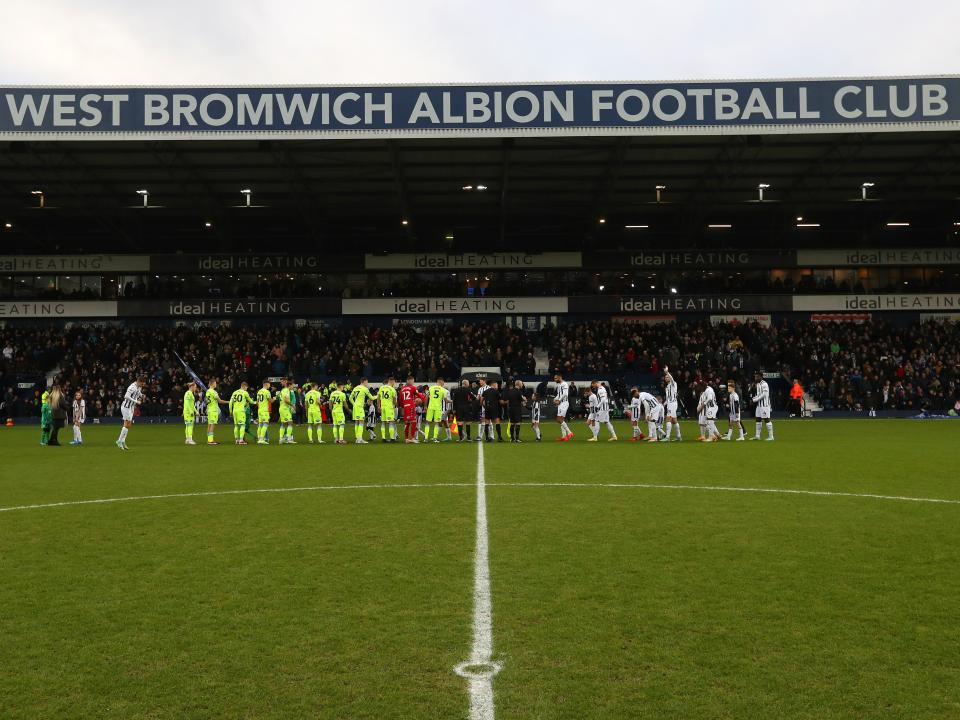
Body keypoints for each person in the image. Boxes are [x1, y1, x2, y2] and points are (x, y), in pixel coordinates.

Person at [117, 376, 146, 450]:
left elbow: (138, 392)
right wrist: (136, 401)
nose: (142, 386)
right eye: (142, 384)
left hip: (131, 407)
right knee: (126, 424)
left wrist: (141, 395)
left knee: (128, 425)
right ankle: (119, 441)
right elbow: (126, 396)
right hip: (126, 407)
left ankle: (123, 441)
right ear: (139, 382)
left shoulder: (138, 387)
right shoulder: (132, 387)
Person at [349, 377, 375, 444]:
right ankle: (360, 439)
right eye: (367, 382)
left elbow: (350, 398)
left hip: (355, 407)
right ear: (364, 381)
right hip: (360, 407)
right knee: (361, 422)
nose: (367, 384)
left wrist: (354, 404)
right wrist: (378, 396)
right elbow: (371, 397)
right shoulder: (365, 389)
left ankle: (357, 438)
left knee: (357, 423)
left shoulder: (355, 388)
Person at [229, 382, 256, 446]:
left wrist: (230, 411)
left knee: (236, 426)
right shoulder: (245, 393)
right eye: (246, 387)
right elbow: (251, 401)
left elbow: (230, 402)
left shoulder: (234, 392)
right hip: (241, 411)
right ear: (244, 386)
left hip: (234, 411)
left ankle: (236, 440)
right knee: (242, 425)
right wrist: (255, 402)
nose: (247, 388)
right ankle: (241, 440)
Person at [399, 376, 423, 443]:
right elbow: (419, 395)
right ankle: (412, 438)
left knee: (407, 423)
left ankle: (406, 439)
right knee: (414, 421)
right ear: (410, 381)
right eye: (413, 381)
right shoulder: (413, 387)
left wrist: (403, 407)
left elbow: (400, 401)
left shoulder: (402, 389)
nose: (413, 382)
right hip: (411, 406)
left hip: (405, 407)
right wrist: (423, 399)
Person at [204, 378, 228, 446]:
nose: (216, 384)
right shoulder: (213, 392)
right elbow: (220, 401)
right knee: (212, 425)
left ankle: (209, 439)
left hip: (209, 410)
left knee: (209, 425)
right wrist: (229, 402)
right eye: (215, 383)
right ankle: (210, 441)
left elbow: (206, 401)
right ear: (213, 384)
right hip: (213, 410)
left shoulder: (207, 391)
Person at [751, 371, 774, 441]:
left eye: (757, 376)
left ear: (761, 377)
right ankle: (757, 436)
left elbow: (764, 394)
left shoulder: (764, 384)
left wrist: (755, 400)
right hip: (759, 405)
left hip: (765, 405)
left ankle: (771, 436)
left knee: (766, 419)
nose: (755, 378)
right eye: (755, 376)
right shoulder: (758, 384)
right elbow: (759, 394)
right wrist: (753, 399)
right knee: (758, 419)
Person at [425, 378, 449, 443]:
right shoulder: (443, 390)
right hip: (438, 408)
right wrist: (451, 401)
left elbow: (426, 397)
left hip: (430, 407)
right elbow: (445, 400)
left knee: (427, 422)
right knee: (437, 423)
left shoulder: (431, 388)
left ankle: (426, 438)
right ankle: (435, 438)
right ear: (441, 382)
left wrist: (425, 406)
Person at [663, 366, 682, 442]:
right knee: (674, 420)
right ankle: (678, 437)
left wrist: (667, 372)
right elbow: (667, 399)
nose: (666, 378)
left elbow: (672, 379)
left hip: (673, 404)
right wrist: (663, 404)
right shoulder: (667, 387)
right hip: (670, 404)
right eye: (665, 377)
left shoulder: (673, 384)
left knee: (668, 419)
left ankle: (667, 437)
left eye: (667, 377)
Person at [377, 376, 398, 442]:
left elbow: (378, 398)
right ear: (392, 381)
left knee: (383, 423)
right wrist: (396, 405)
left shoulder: (381, 387)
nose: (394, 383)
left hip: (382, 407)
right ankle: (392, 438)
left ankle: (383, 438)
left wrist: (378, 406)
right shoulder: (392, 389)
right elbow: (394, 400)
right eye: (394, 382)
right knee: (391, 422)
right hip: (389, 408)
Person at [553, 373, 573, 442]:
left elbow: (565, 394)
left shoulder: (565, 384)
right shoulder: (559, 385)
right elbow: (559, 394)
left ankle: (570, 433)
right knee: (561, 420)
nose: (554, 380)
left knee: (559, 419)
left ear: (560, 377)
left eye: (555, 378)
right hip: (560, 404)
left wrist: (559, 400)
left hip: (564, 403)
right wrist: (555, 399)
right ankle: (564, 436)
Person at [278, 378, 297, 444]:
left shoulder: (283, 390)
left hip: (282, 408)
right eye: (292, 386)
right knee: (290, 423)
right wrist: (292, 405)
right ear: (289, 385)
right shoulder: (286, 390)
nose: (293, 387)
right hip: (285, 408)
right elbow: (286, 400)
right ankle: (289, 438)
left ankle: (281, 438)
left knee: (283, 424)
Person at [256, 380, 273, 445]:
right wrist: (274, 399)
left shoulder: (259, 391)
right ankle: (261, 439)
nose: (270, 386)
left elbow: (257, 402)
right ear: (266, 384)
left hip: (260, 410)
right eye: (269, 384)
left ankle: (259, 438)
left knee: (260, 425)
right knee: (265, 424)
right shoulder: (267, 392)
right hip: (264, 410)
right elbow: (270, 401)